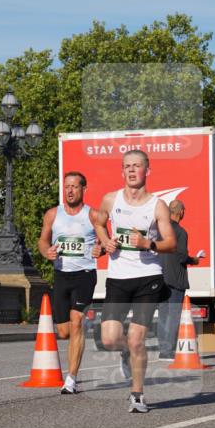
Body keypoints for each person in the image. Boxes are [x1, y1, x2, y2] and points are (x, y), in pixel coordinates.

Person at [91, 149, 176, 413]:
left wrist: (148, 243)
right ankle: (125, 352)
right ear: (122, 171)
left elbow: (171, 243)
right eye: (127, 166)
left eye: (136, 166)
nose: (131, 170)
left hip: (148, 278)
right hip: (118, 278)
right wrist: (105, 241)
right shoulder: (110, 199)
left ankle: (137, 395)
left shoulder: (157, 205)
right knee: (109, 339)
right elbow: (98, 222)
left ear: (146, 171)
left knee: (137, 339)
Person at [37, 172, 102, 395]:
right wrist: (47, 252)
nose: (70, 191)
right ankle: (81, 333)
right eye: (67, 187)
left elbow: (105, 241)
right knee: (64, 332)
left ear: (84, 189)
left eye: (74, 186)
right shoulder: (53, 214)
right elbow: (43, 240)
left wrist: (100, 249)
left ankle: (71, 378)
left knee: (76, 322)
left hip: (85, 274)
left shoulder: (93, 215)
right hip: (61, 276)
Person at [156, 200, 200, 361]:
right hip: (176, 279)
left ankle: (163, 350)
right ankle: (168, 351)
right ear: (181, 212)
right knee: (174, 315)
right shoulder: (181, 232)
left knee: (163, 314)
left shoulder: (160, 230)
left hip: (160, 278)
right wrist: (194, 260)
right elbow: (181, 256)